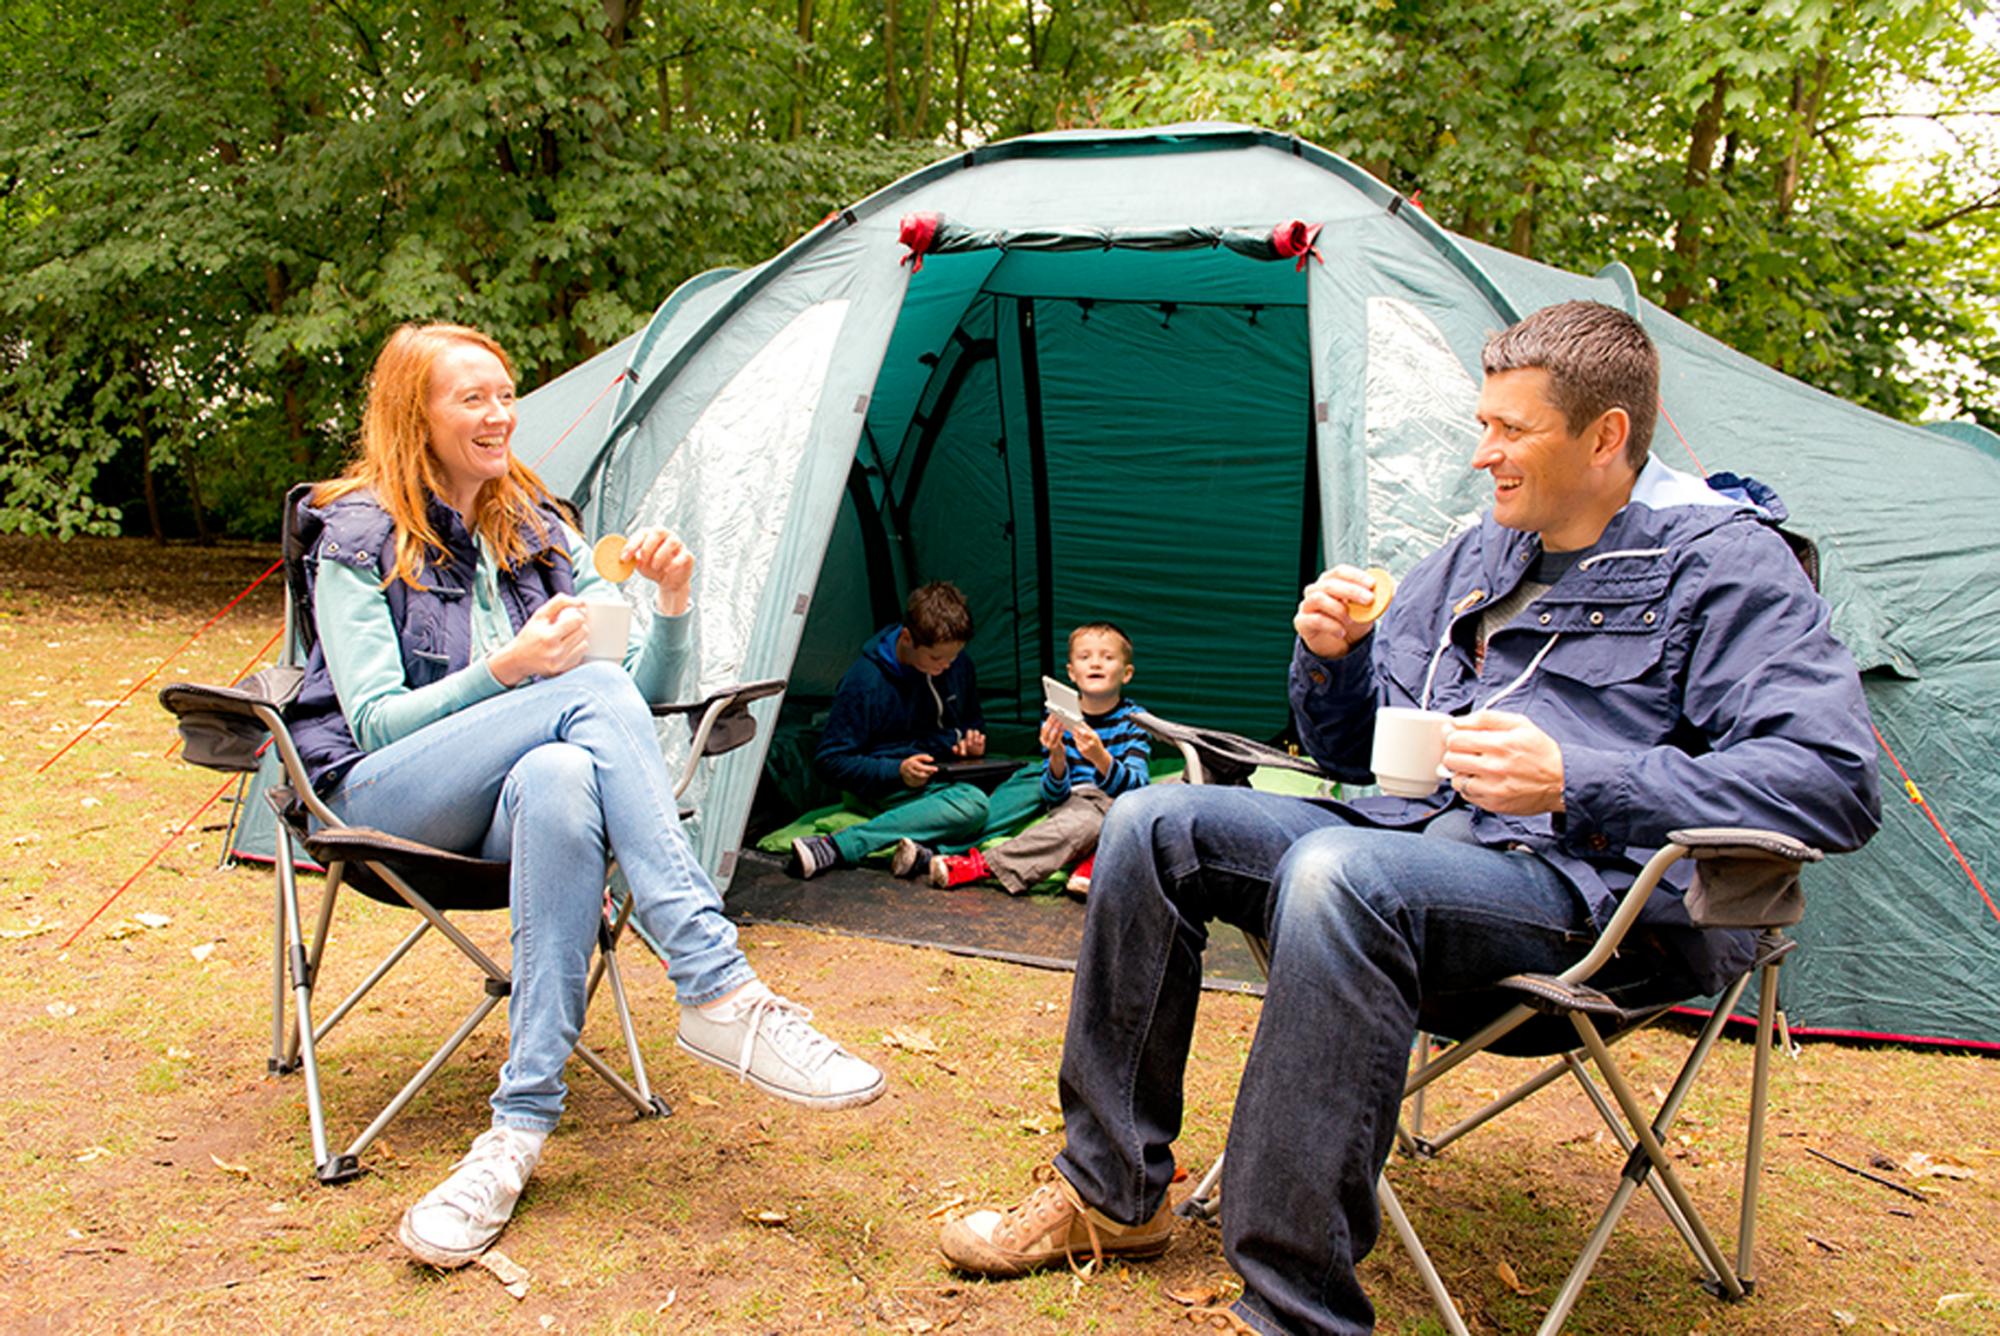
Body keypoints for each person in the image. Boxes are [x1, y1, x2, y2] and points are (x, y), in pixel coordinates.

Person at [936, 301, 1881, 1334]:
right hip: (1411, 848)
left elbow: (1827, 778)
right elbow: (1354, 752)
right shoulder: (1473, 555)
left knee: (1340, 875)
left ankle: (1294, 1310)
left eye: (1508, 431)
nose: (1481, 455)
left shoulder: (1721, 562)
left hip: (1592, 903)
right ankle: (1108, 1193)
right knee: (1153, 824)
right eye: (1482, 424)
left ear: (1604, 437)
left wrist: (1577, 775)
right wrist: (1329, 657)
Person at [289, 322, 884, 1271]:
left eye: (506, 392)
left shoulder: (536, 526)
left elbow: (629, 701)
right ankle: (716, 983)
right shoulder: (355, 535)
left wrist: (675, 605)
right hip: (385, 799)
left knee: (566, 773)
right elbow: (375, 725)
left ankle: (515, 1133)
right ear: (416, 413)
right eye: (471, 397)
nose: (499, 414)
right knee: (575, 709)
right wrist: (504, 669)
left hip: (516, 802)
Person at [921, 622, 1150, 894]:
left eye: (1108, 657)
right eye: (1085, 657)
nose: (1096, 664)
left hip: (1121, 805)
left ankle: (1092, 859)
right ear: (1071, 672)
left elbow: (1138, 789)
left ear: (1127, 674)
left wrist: (1101, 758)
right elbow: (1054, 796)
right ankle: (981, 865)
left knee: (1182, 788)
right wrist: (1056, 757)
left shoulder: (1136, 722)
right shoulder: (1059, 718)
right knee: (1088, 822)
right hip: (1080, 804)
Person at [790, 581, 992, 878]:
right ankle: (839, 845)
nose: (947, 666)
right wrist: (897, 771)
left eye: (953, 657)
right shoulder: (865, 682)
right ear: (907, 638)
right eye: (936, 658)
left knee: (1034, 780)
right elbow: (830, 761)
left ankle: (928, 853)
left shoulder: (958, 665)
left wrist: (972, 741)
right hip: (891, 784)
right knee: (973, 806)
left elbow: (972, 721)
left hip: (948, 775)